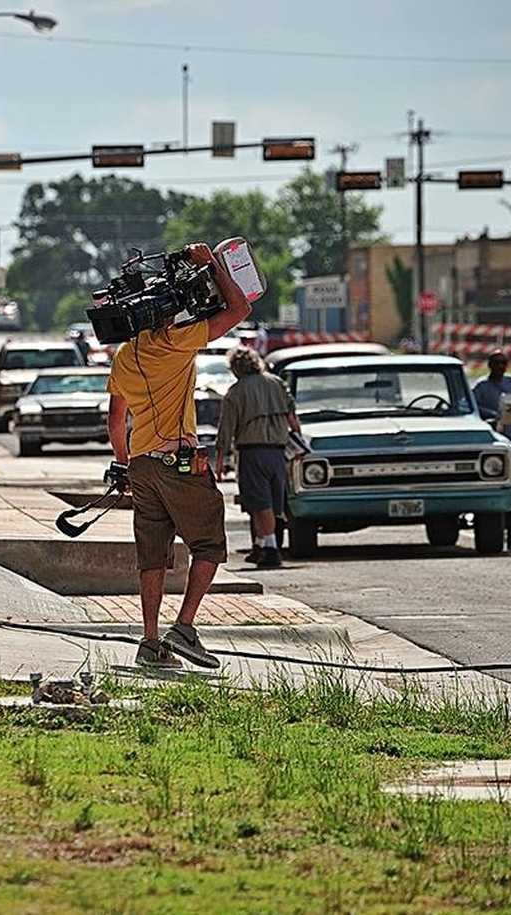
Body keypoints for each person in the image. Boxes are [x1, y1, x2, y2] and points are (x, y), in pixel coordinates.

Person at [106, 242, 251, 669]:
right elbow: (239, 309)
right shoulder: (175, 340)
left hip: (143, 465)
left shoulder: (124, 354)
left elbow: (117, 422)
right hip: (178, 463)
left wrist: (125, 464)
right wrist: (210, 265)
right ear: (163, 312)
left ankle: (150, 642)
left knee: (152, 557)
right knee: (209, 545)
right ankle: (184, 628)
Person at [214, 346, 302, 569]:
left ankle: (271, 549)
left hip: (252, 452)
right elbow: (292, 415)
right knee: (273, 502)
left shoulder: (236, 392)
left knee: (260, 503)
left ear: (235, 368)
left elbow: (226, 430)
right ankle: (261, 546)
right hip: (278, 451)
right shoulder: (276, 383)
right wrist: (299, 443)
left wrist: (220, 461)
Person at [473, 350, 511, 549]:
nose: (499, 367)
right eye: (496, 363)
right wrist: (491, 414)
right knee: (500, 485)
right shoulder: (481, 387)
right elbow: (470, 406)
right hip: (494, 445)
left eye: (503, 363)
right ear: (489, 365)